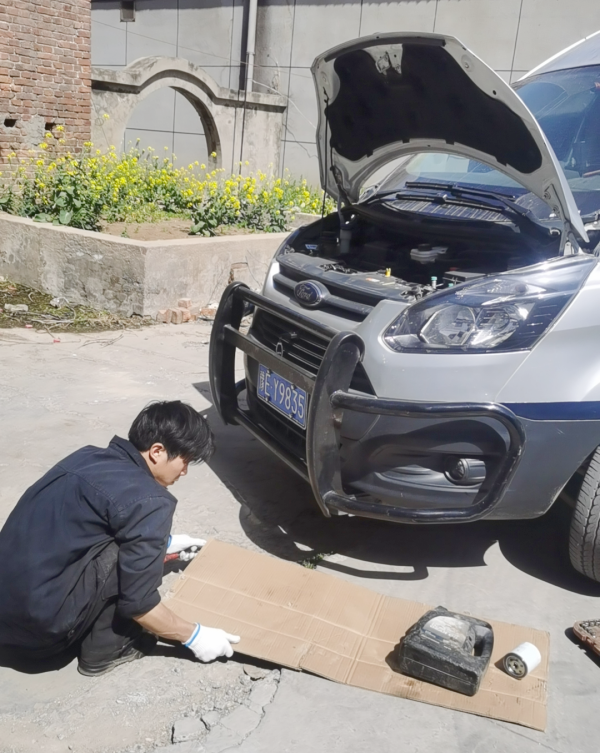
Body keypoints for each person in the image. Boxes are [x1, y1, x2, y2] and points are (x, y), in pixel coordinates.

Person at [0, 400, 240, 676]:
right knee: (128, 562)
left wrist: (163, 543)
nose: (184, 472)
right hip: (39, 631)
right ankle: (105, 650)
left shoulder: (86, 456)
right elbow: (140, 605)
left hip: (8, 611)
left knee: (131, 547)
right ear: (157, 451)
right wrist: (193, 636)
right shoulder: (151, 500)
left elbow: (74, 529)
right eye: (184, 461)